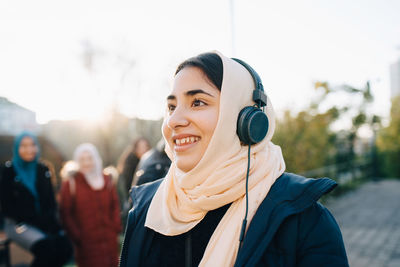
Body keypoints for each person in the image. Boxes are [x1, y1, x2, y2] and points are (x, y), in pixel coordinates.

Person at [120, 51, 349, 267]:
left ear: (248, 121)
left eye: (197, 102)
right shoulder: (146, 208)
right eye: (171, 106)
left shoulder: (304, 220)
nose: (173, 121)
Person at [0, 131, 72, 267]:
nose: (29, 149)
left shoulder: (43, 169)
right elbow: (7, 207)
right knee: (46, 249)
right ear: (17, 148)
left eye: (32, 145)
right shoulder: (9, 171)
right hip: (18, 224)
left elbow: (50, 202)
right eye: (24, 146)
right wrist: (37, 222)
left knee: (65, 247)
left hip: (43, 222)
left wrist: (54, 227)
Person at [60, 143, 121, 267]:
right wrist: (77, 236)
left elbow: (114, 206)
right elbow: (65, 213)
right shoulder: (71, 183)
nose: (86, 163)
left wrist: (115, 228)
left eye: (90, 158)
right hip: (86, 245)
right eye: (82, 159)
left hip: (110, 242)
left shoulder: (107, 180)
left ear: (96, 159)